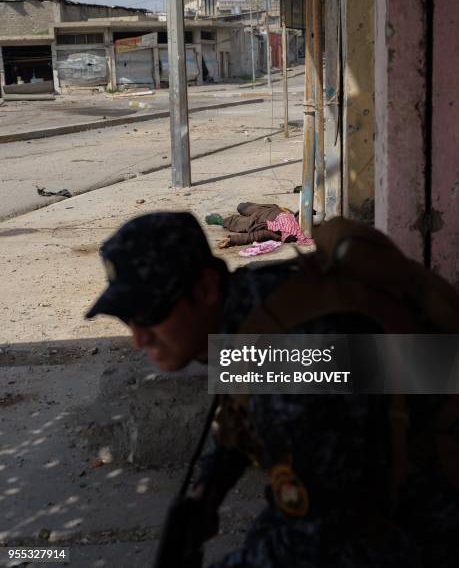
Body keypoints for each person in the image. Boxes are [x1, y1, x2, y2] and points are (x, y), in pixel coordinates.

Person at [86, 211, 458, 568]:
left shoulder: (291, 364)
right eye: (127, 318)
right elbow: (236, 422)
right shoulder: (252, 306)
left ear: (205, 289)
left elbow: (311, 543)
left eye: (151, 313)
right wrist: (206, 493)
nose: (138, 338)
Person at [206, 202, 313, 248]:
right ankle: (240, 211)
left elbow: (257, 236)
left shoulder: (280, 231)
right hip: (267, 209)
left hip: (255, 220)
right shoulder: (290, 214)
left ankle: (219, 220)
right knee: (241, 206)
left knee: (235, 222)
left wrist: (232, 240)